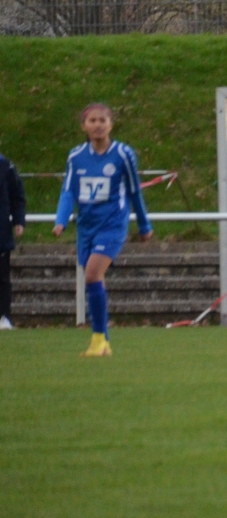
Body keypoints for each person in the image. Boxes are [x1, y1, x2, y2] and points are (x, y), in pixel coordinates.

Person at [52, 103, 152, 356]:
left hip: (113, 224)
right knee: (95, 278)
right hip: (87, 226)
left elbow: (134, 191)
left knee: (92, 274)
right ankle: (104, 342)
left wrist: (144, 224)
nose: (98, 125)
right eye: (92, 121)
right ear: (83, 126)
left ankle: (97, 340)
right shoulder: (76, 156)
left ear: (111, 125)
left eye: (102, 120)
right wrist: (61, 220)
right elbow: (68, 191)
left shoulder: (123, 154)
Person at [0, 148, 23, 330]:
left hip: (1, 232)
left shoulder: (5, 166)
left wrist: (18, 220)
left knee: (2, 276)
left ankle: (4, 316)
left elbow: (17, 196)